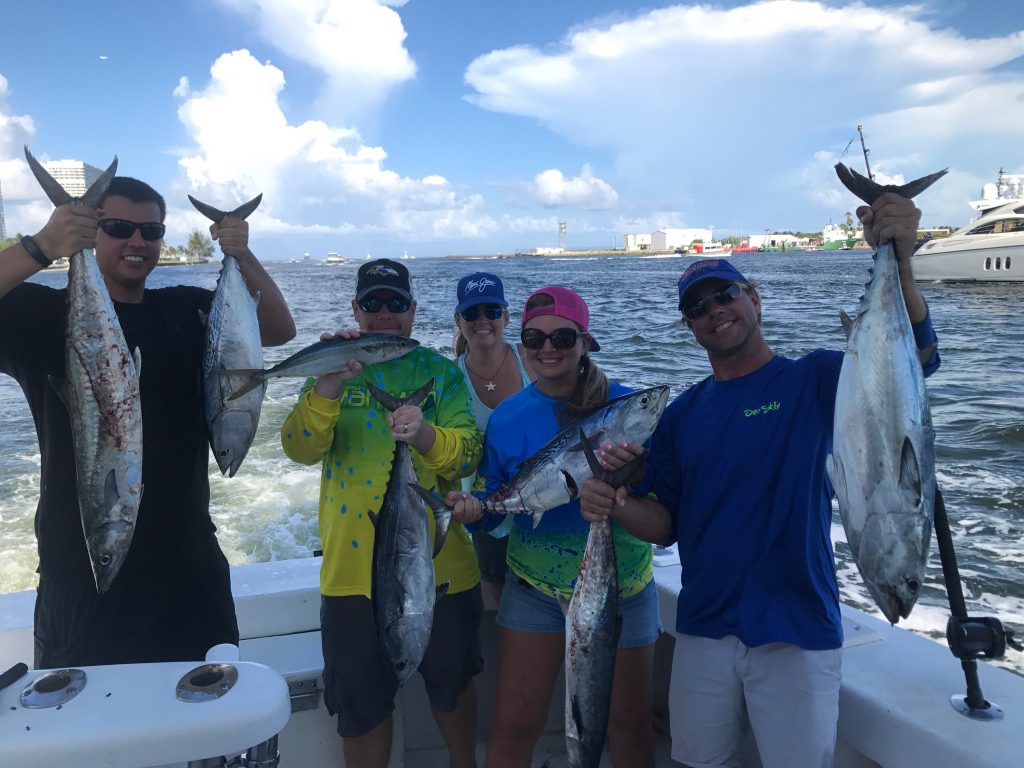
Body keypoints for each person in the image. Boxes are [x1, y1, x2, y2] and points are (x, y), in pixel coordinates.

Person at [579, 194, 941, 768]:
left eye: (725, 294)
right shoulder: (681, 415)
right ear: (690, 327)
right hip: (703, 627)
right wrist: (617, 502)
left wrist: (899, 258)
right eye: (698, 306)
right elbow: (665, 525)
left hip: (798, 626)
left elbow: (914, 364)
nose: (714, 309)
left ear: (754, 298)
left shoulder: (818, 380)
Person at [0, 176, 296, 668]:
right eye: (117, 227)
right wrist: (43, 245)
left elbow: (278, 330)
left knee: (206, 727)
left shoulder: (187, 310)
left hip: (190, 568)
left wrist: (240, 253)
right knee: (90, 731)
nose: (136, 241)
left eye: (151, 231)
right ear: (94, 233)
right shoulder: (42, 316)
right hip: (84, 573)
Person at [279, 258, 484, 768]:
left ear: (413, 311)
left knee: (451, 692)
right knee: (362, 710)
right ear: (355, 309)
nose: (385, 313)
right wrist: (325, 386)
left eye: (396, 303)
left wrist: (423, 434)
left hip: (442, 570)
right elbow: (299, 449)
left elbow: (467, 454)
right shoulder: (330, 369)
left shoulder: (439, 374)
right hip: (350, 578)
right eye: (373, 303)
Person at [450, 286, 658, 768]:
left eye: (563, 336)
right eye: (534, 338)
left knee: (628, 724)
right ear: (520, 345)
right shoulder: (508, 418)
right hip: (533, 589)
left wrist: (625, 484)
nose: (548, 348)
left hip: (621, 586)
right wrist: (474, 510)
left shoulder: (630, 408)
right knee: (514, 725)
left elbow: (661, 503)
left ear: (586, 342)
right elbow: (496, 499)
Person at [451, 272, 534, 603]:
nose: (482, 320)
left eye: (492, 311)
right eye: (472, 313)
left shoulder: (534, 361)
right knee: (499, 608)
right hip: (482, 514)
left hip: (541, 504)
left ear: (507, 316)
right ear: (459, 320)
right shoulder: (448, 377)